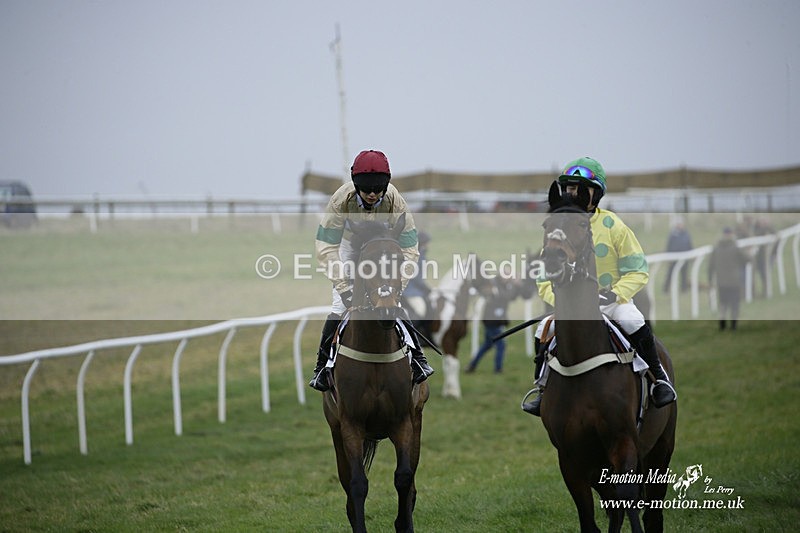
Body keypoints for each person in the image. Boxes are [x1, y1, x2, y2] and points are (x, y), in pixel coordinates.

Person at [522, 157, 677, 416]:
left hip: (613, 303)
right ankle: (542, 389)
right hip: (572, 307)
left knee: (633, 319)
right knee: (544, 328)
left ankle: (659, 380)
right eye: (569, 187)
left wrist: (615, 294)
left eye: (580, 187)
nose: (573, 192)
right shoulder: (559, 226)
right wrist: (559, 299)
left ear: (595, 193)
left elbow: (637, 270)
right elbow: (543, 277)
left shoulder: (614, 226)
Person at [308, 149, 435, 392]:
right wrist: (344, 288)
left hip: (383, 244)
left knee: (393, 302)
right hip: (347, 246)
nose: (372, 195)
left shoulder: (395, 201)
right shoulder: (340, 200)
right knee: (339, 306)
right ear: (356, 185)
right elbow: (326, 247)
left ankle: (418, 359)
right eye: (367, 190)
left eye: (378, 190)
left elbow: (410, 249)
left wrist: (398, 287)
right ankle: (322, 366)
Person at [465, 273, 524, 373]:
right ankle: (498, 369)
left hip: (494, 321)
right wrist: (514, 285)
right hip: (492, 322)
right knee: (501, 345)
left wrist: (517, 286)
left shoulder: (503, 285)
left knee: (487, 345)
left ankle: (472, 366)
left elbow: (512, 297)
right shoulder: (494, 285)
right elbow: (505, 296)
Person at [708, 227, 750, 330]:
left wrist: (710, 279)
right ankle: (733, 326)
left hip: (721, 282)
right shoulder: (735, 247)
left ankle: (722, 325)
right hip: (734, 282)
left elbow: (710, 266)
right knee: (734, 304)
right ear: (731, 234)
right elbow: (747, 259)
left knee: (723, 304)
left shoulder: (716, 248)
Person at [662, 220, 693, 293]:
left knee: (684, 275)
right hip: (674, 257)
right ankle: (665, 289)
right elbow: (669, 245)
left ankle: (684, 289)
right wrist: (668, 256)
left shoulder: (686, 234)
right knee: (670, 274)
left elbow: (689, 244)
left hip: (684, 257)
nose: (680, 226)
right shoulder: (673, 234)